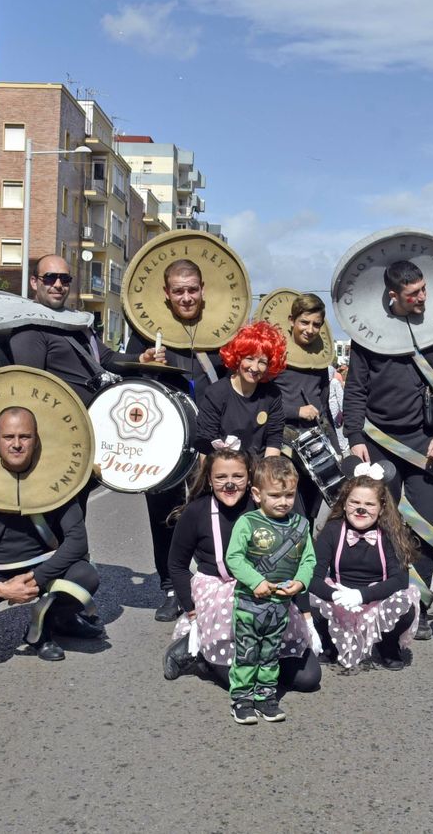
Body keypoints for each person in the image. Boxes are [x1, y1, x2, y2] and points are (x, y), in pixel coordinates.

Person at [342, 259, 433, 640]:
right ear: (393, 295)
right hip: (379, 442)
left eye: (424, 289)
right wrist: (355, 437)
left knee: (425, 528)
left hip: (427, 443)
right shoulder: (366, 335)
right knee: (382, 524)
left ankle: (418, 606)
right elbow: (356, 390)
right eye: (414, 293)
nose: (423, 297)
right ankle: (382, 601)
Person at [0, 406, 104, 664]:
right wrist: (0, 588)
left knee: (85, 576)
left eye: (25, 436)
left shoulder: (57, 481)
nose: (17, 444)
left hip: (40, 566)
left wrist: (35, 580)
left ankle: (43, 629)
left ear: (36, 439)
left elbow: (77, 541)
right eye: (9, 437)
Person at [124, 258, 229, 622]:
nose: (186, 297)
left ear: (203, 290)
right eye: (179, 291)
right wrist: (142, 359)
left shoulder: (221, 329)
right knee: (164, 514)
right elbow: (124, 370)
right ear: (166, 294)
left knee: (215, 512)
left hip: (210, 437)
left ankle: (216, 584)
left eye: (192, 290)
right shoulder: (145, 329)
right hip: (162, 438)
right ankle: (172, 587)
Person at [163, 448, 320, 690]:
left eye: (237, 476)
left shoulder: (268, 503)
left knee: (308, 679)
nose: (229, 484)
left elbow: (297, 560)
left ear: (249, 479)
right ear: (209, 479)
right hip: (219, 594)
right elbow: (177, 565)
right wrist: (193, 614)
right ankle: (200, 651)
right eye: (221, 477)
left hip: (267, 594)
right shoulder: (197, 512)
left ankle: (262, 657)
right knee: (244, 681)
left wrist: (306, 615)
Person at [224, 456, 315, 724]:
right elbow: (234, 558)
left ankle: (265, 696)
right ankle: (241, 698)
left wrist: (300, 582)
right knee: (247, 653)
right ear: (257, 494)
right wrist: (256, 581)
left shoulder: (301, 525)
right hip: (249, 604)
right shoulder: (248, 522)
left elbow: (308, 559)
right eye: (274, 495)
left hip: (280, 606)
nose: (283, 501)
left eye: (289, 495)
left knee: (271, 652)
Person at [309, 469, 420, 674]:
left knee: (405, 604)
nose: (361, 509)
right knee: (309, 598)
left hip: (375, 599)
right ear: (344, 504)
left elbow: (400, 580)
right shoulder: (333, 530)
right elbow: (313, 577)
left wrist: (361, 596)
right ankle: (329, 641)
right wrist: (335, 595)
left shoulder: (390, 534)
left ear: (381, 508)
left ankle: (387, 643)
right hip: (340, 599)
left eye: (369, 504)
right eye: (355, 502)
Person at [9, 254, 152, 405]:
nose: (58, 284)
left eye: (65, 279)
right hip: (66, 416)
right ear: (34, 282)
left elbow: (106, 358)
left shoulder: (76, 321)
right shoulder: (29, 328)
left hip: (97, 410)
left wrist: (141, 359)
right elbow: (29, 389)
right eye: (50, 278)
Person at [273, 294, 337, 520]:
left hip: (316, 445)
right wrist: (296, 411)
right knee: (291, 510)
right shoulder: (275, 357)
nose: (310, 330)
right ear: (292, 321)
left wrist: (336, 448)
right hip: (284, 445)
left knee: (310, 513)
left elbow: (325, 407)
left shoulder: (320, 361)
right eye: (304, 322)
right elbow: (261, 403)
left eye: (316, 324)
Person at [194, 321, 285, 459]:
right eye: (249, 359)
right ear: (238, 358)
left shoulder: (272, 394)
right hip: (222, 467)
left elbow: (274, 441)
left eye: (262, 362)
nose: (254, 368)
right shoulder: (216, 393)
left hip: (260, 468)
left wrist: (267, 472)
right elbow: (206, 445)